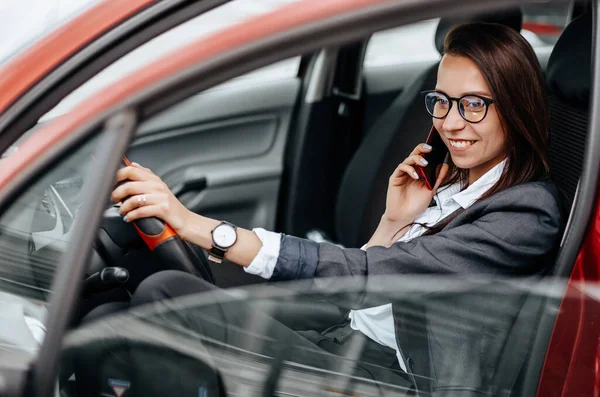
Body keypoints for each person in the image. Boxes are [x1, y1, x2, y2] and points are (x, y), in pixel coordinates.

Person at [108, 22, 562, 393]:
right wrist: (395, 221)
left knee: (164, 298)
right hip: (347, 329)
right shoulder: (457, 180)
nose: (449, 122)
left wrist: (198, 227)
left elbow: (371, 276)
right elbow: (370, 281)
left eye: (474, 105)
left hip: (395, 379)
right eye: (441, 101)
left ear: (515, 108)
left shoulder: (525, 215)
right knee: (135, 307)